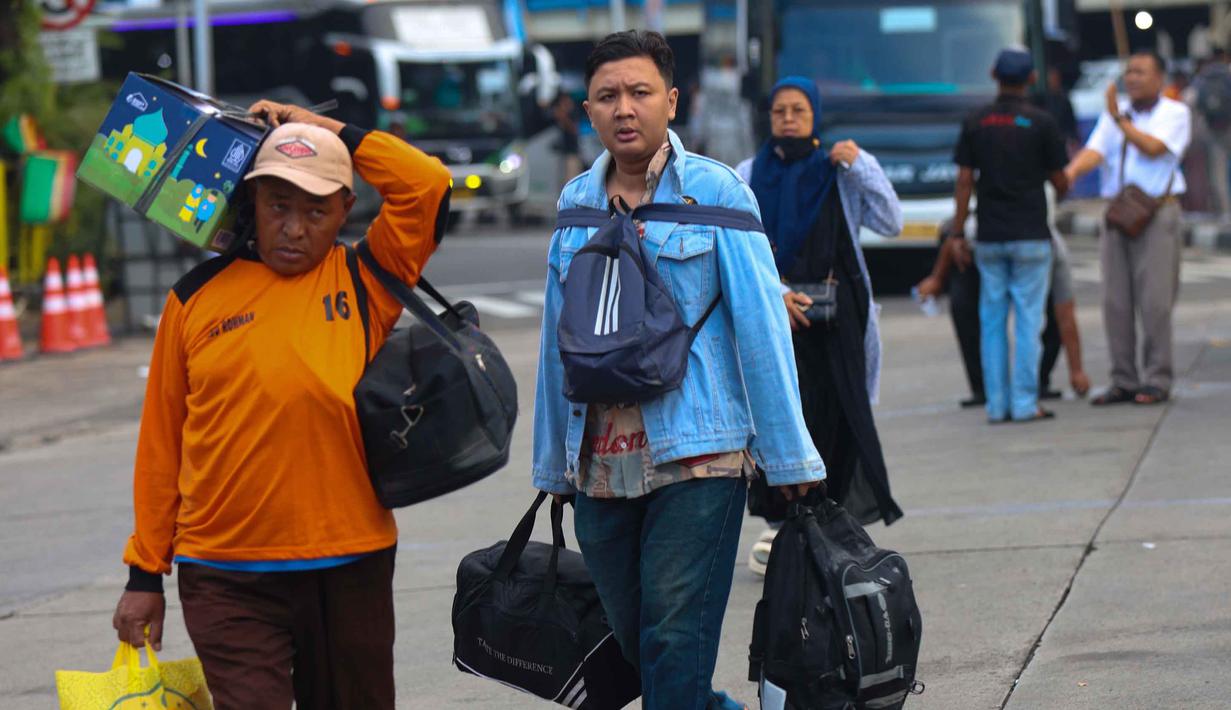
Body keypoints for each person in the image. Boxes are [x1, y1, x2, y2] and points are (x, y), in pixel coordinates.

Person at [111, 102, 453, 709]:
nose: (295, 228)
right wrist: (144, 574)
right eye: (279, 206)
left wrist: (318, 126)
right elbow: (162, 441)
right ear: (251, 203)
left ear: (345, 212)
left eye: (316, 210)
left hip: (351, 561)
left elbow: (427, 183)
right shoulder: (193, 298)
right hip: (224, 571)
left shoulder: (366, 278)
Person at [531, 31, 825, 710]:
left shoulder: (716, 192)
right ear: (587, 109)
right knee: (639, 645)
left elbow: (760, 328)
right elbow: (556, 343)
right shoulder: (575, 203)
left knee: (671, 639)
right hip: (598, 463)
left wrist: (790, 459)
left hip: (699, 453)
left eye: (638, 93)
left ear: (670, 100)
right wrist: (553, 466)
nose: (623, 109)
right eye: (607, 96)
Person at [735, 76, 904, 574]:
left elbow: (891, 221)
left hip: (837, 316)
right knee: (780, 414)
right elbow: (741, 246)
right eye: (780, 110)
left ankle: (833, 520)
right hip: (775, 312)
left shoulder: (838, 168)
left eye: (798, 110)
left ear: (815, 116)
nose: (788, 118)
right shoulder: (748, 173)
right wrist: (777, 294)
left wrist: (863, 166)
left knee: (841, 415)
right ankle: (779, 525)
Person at [1065, 50, 1191, 406]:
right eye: (1128, 72)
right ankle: (1123, 378)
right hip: (1119, 213)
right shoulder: (1117, 114)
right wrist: (1069, 174)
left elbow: (1153, 148)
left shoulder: (1174, 112)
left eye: (1140, 71)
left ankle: (1157, 378)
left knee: (1155, 302)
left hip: (1157, 213)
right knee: (1115, 302)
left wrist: (1120, 120)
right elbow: (1096, 150)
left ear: (1160, 78)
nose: (1131, 78)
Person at [952, 48, 1070, 423]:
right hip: (1032, 234)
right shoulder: (1042, 122)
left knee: (992, 322)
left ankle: (996, 405)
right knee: (1028, 321)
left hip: (989, 235)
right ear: (1032, 79)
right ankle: (1024, 403)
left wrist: (957, 232)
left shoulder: (976, 121)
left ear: (992, 74)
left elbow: (965, 181)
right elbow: (1059, 180)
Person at [916, 228, 1091, 406]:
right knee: (1024, 321)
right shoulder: (981, 228)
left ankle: (1002, 398)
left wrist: (1076, 370)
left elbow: (1065, 312)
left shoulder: (1052, 245)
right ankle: (1015, 396)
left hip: (1001, 247)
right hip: (1011, 247)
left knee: (997, 322)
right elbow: (955, 239)